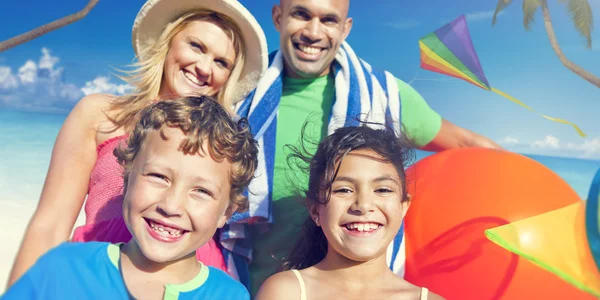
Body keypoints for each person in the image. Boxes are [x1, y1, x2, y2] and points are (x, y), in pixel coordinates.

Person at [219, 0, 503, 295]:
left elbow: (467, 146)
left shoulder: (385, 95)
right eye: (301, 15)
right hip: (251, 286)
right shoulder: (236, 94)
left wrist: (533, 206)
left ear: (345, 28)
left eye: (329, 20)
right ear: (278, 17)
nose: (313, 32)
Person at [6, 0, 268, 287]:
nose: (205, 67)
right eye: (196, 46)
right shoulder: (100, 115)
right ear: (168, 43)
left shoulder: (223, 146)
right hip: (98, 278)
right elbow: (51, 224)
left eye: (222, 62)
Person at [2, 96, 259, 299]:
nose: (171, 206)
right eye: (158, 176)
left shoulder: (230, 295)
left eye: (201, 191)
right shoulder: (64, 268)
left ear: (227, 212)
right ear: (126, 176)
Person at [255, 124, 444, 300]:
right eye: (343, 190)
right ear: (315, 210)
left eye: (382, 190)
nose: (363, 205)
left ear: (403, 206)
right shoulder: (286, 292)